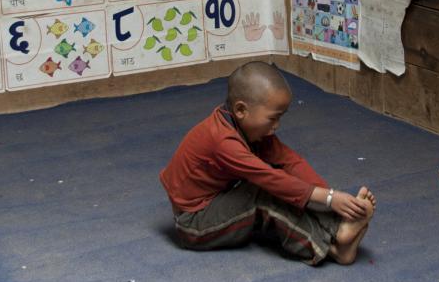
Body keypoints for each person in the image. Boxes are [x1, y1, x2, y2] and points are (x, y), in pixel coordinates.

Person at [160, 61, 375, 265]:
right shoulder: (222, 141)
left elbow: (291, 162)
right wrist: (329, 199)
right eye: (272, 118)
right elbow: (269, 179)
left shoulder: (247, 128)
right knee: (263, 192)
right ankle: (330, 248)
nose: (277, 126)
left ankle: (339, 230)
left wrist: (333, 200)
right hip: (193, 224)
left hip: (217, 201)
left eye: (281, 117)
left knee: (288, 181)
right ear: (241, 110)